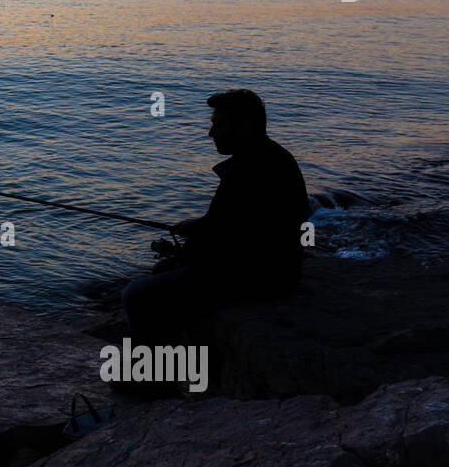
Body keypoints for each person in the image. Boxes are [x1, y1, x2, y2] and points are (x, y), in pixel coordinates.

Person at [121, 89, 310, 355]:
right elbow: (238, 224)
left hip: (259, 278)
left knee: (135, 295)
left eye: (218, 125)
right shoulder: (271, 158)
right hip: (276, 269)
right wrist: (200, 225)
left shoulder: (248, 173)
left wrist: (189, 251)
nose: (211, 133)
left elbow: (229, 243)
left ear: (244, 127)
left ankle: (152, 382)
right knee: (164, 269)